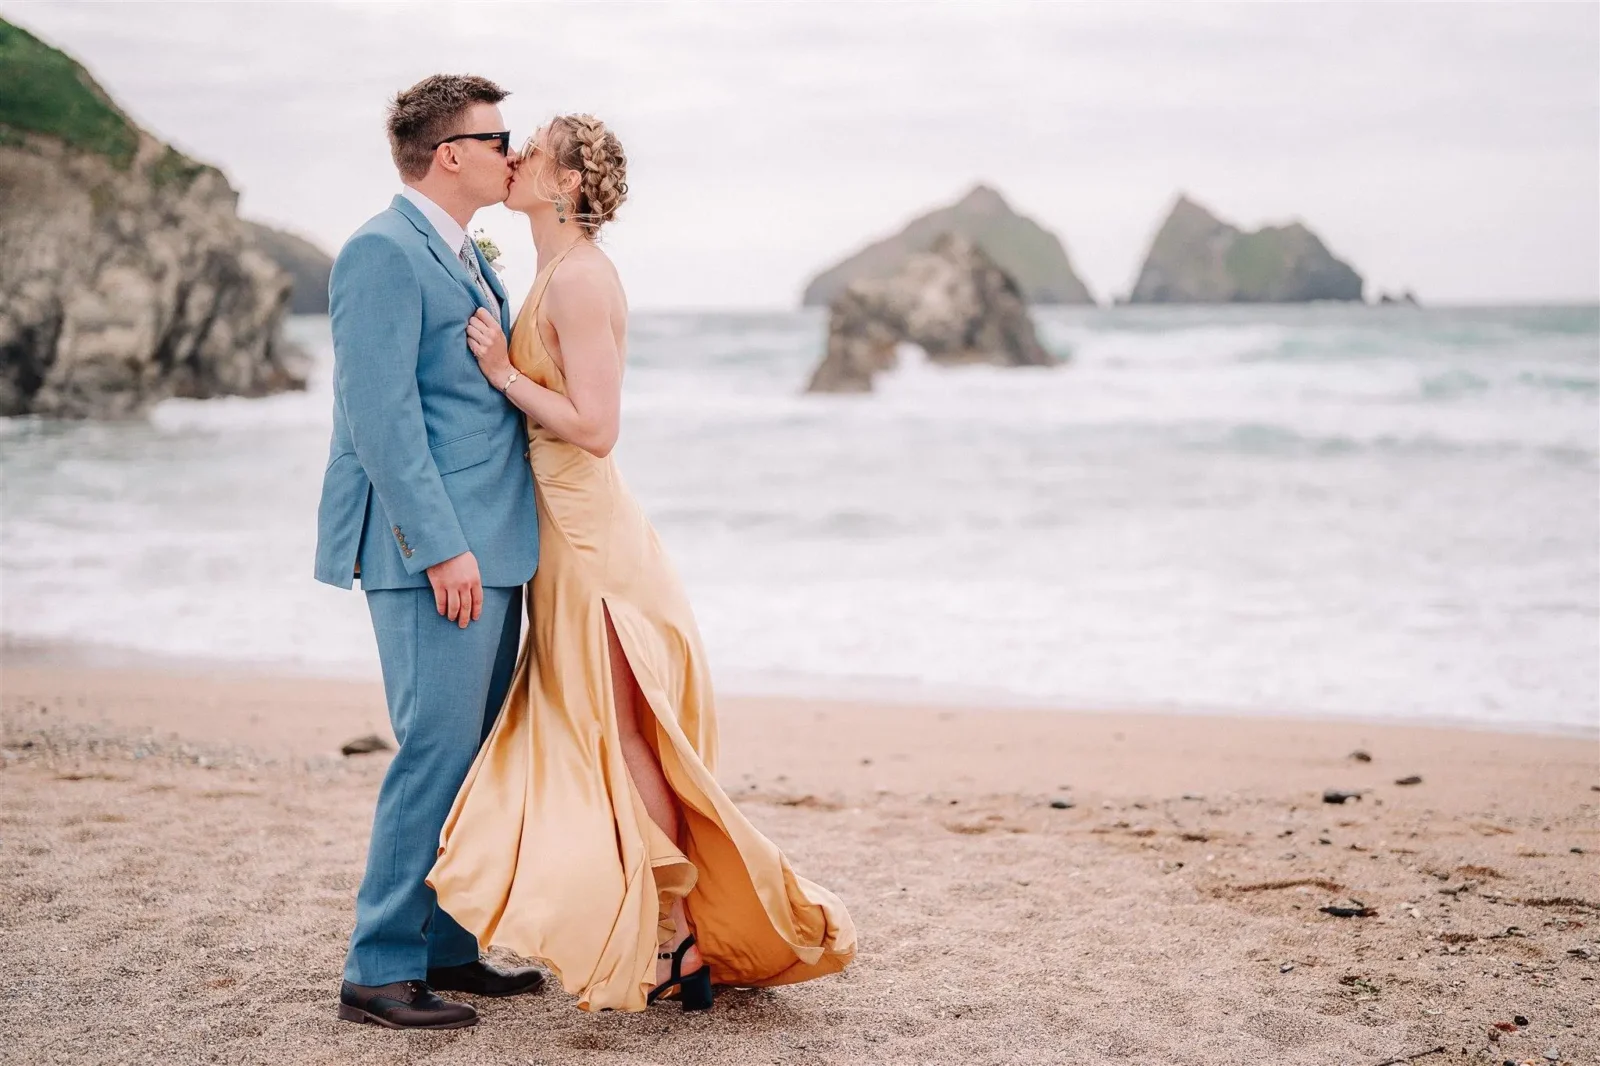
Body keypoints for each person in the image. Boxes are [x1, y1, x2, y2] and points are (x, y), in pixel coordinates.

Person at [427, 114, 856, 1014]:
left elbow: (595, 425)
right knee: (601, 735)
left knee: (625, 735)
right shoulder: (547, 272)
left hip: (593, 547)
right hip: (563, 540)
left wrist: (505, 373)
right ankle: (666, 932)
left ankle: (679, 940)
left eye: (533, 149)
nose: (515, 158)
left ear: (571, 183)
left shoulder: (580, 280)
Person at [313, 74, 546, 1030]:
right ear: (450, 154)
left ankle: (445, 947)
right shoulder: (379, 251)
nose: (514, 153)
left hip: (496, 546)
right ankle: (377, 968)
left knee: (472, 755)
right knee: (434, 752)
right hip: (435, 554)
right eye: (499, 139)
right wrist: (442, 549)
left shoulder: (463, 251)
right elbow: (381, 419)